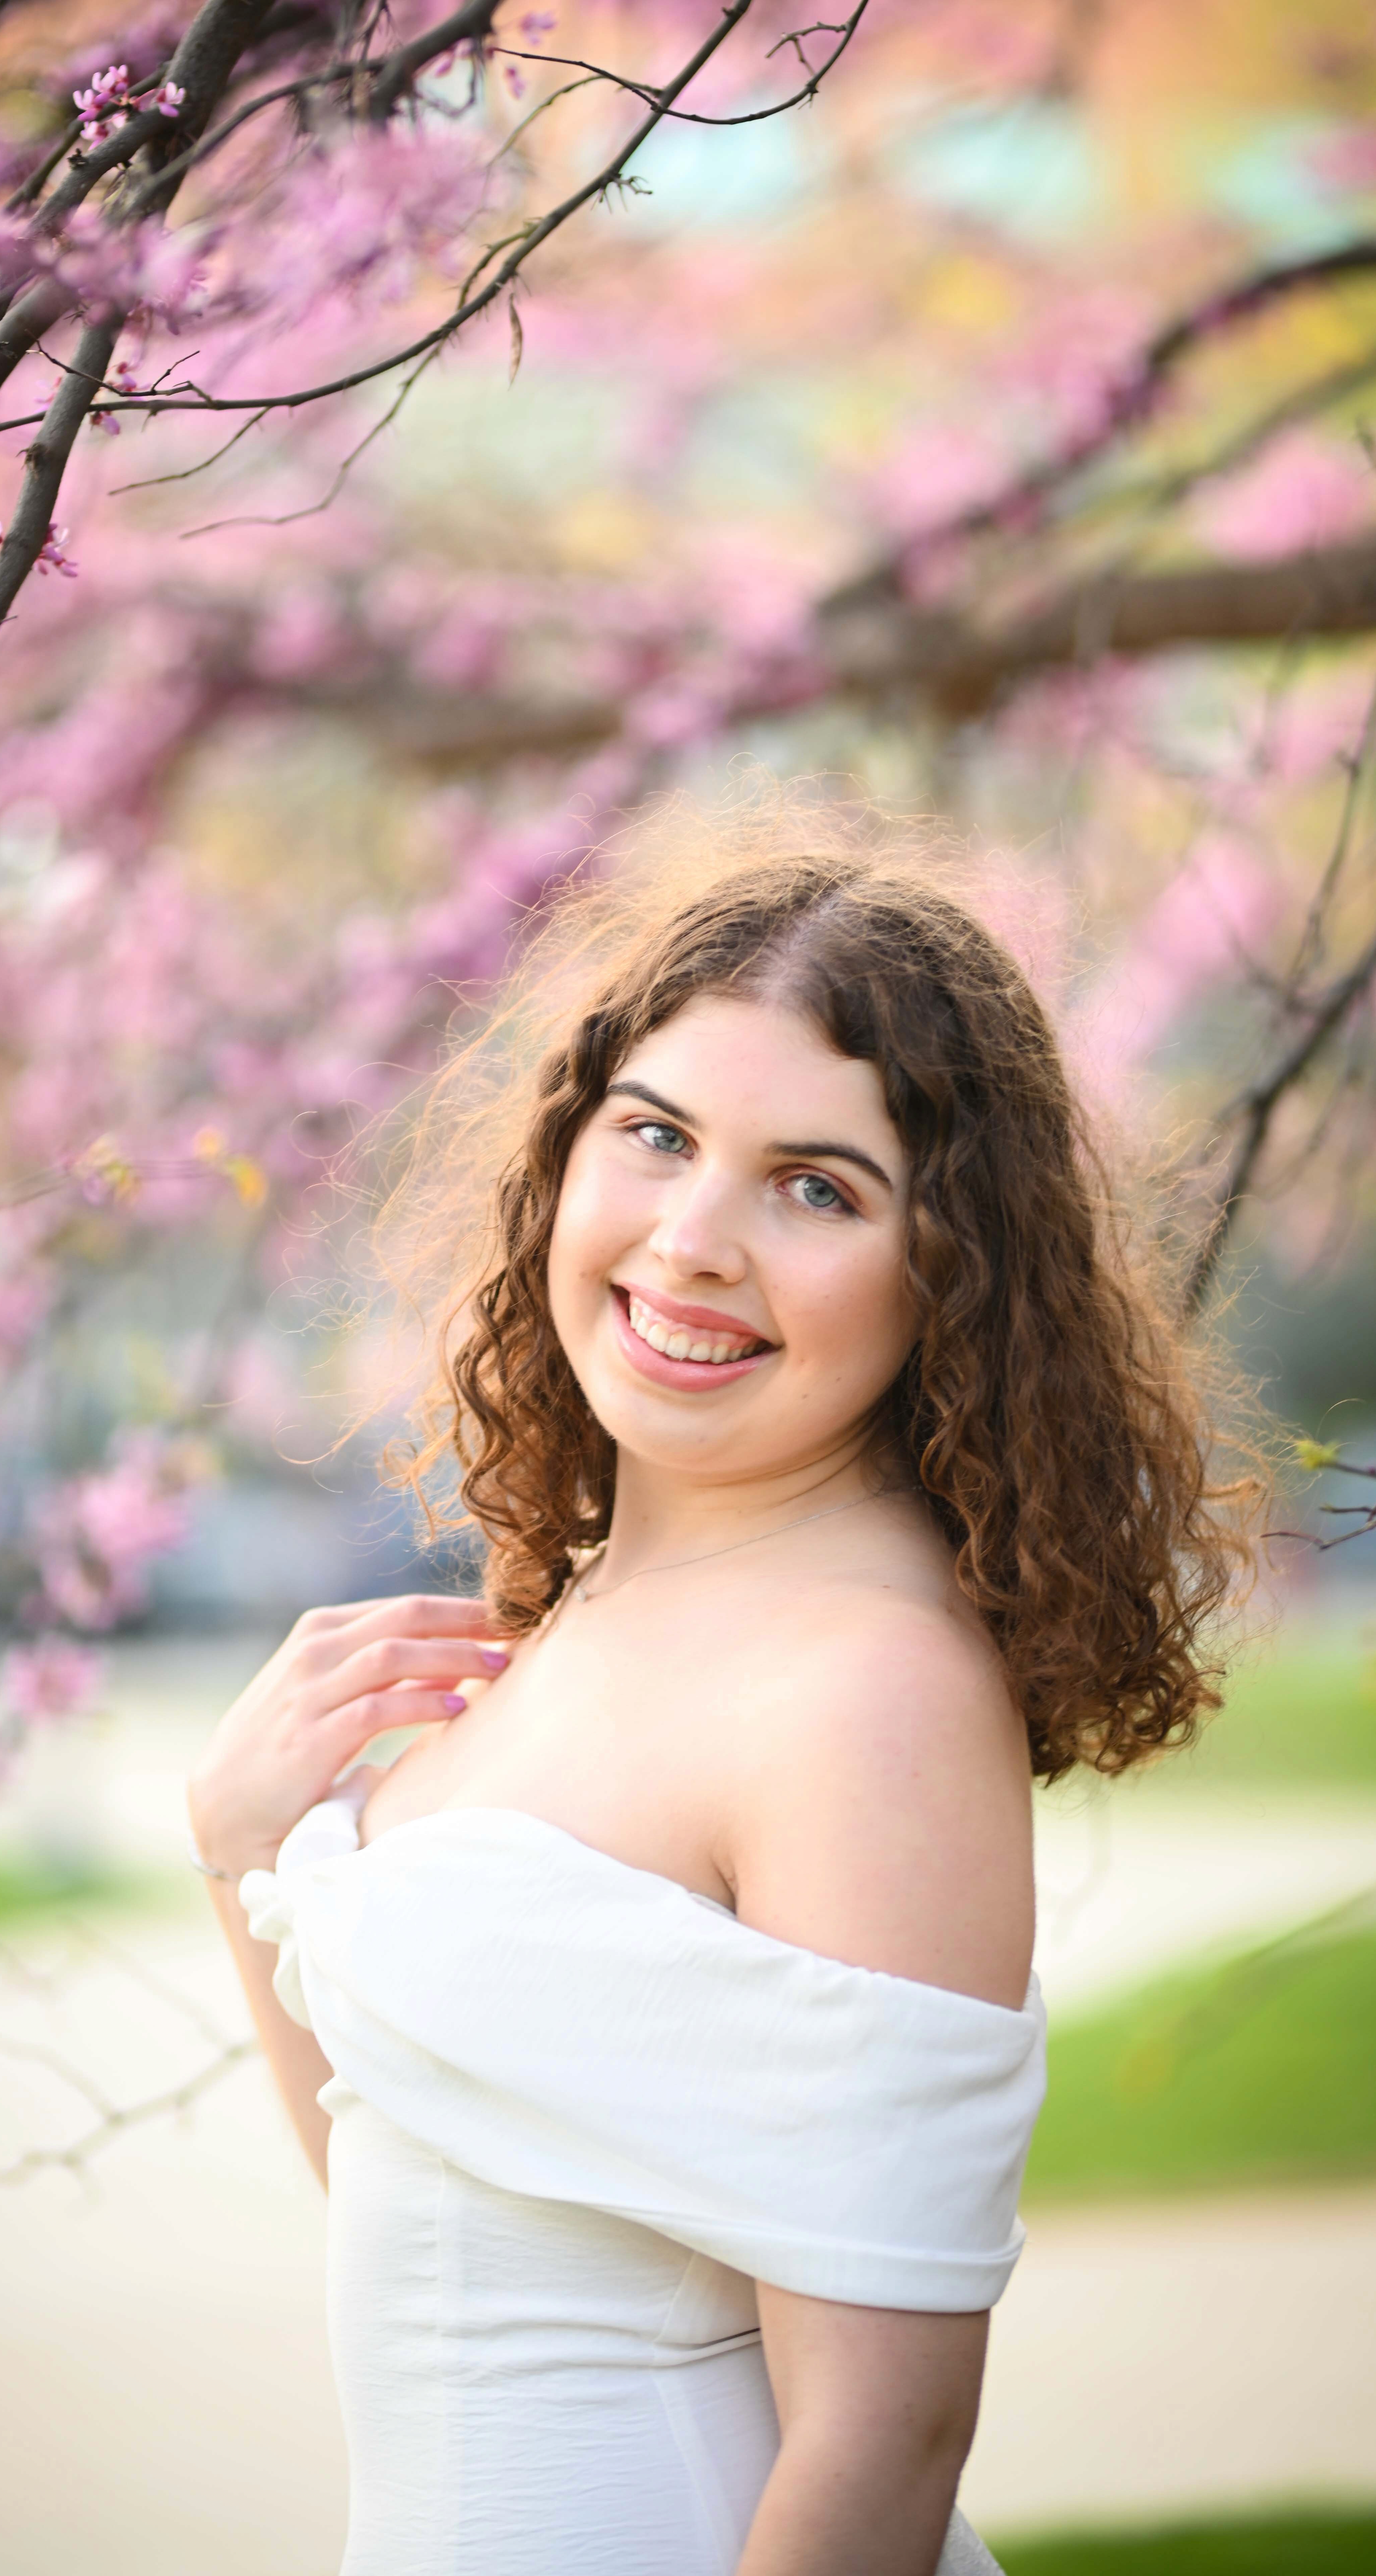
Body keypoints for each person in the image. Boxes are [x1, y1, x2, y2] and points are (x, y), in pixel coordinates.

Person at [189, 829, 1251, 2576]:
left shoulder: (870, 1692)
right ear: (569, 1148)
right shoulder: (586, 1593)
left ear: (952, 1274)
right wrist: (246, 1860)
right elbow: (441, 2195)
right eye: (659, 1137)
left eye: (816, 1187)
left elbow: (885, 2442)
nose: (692, 1241)